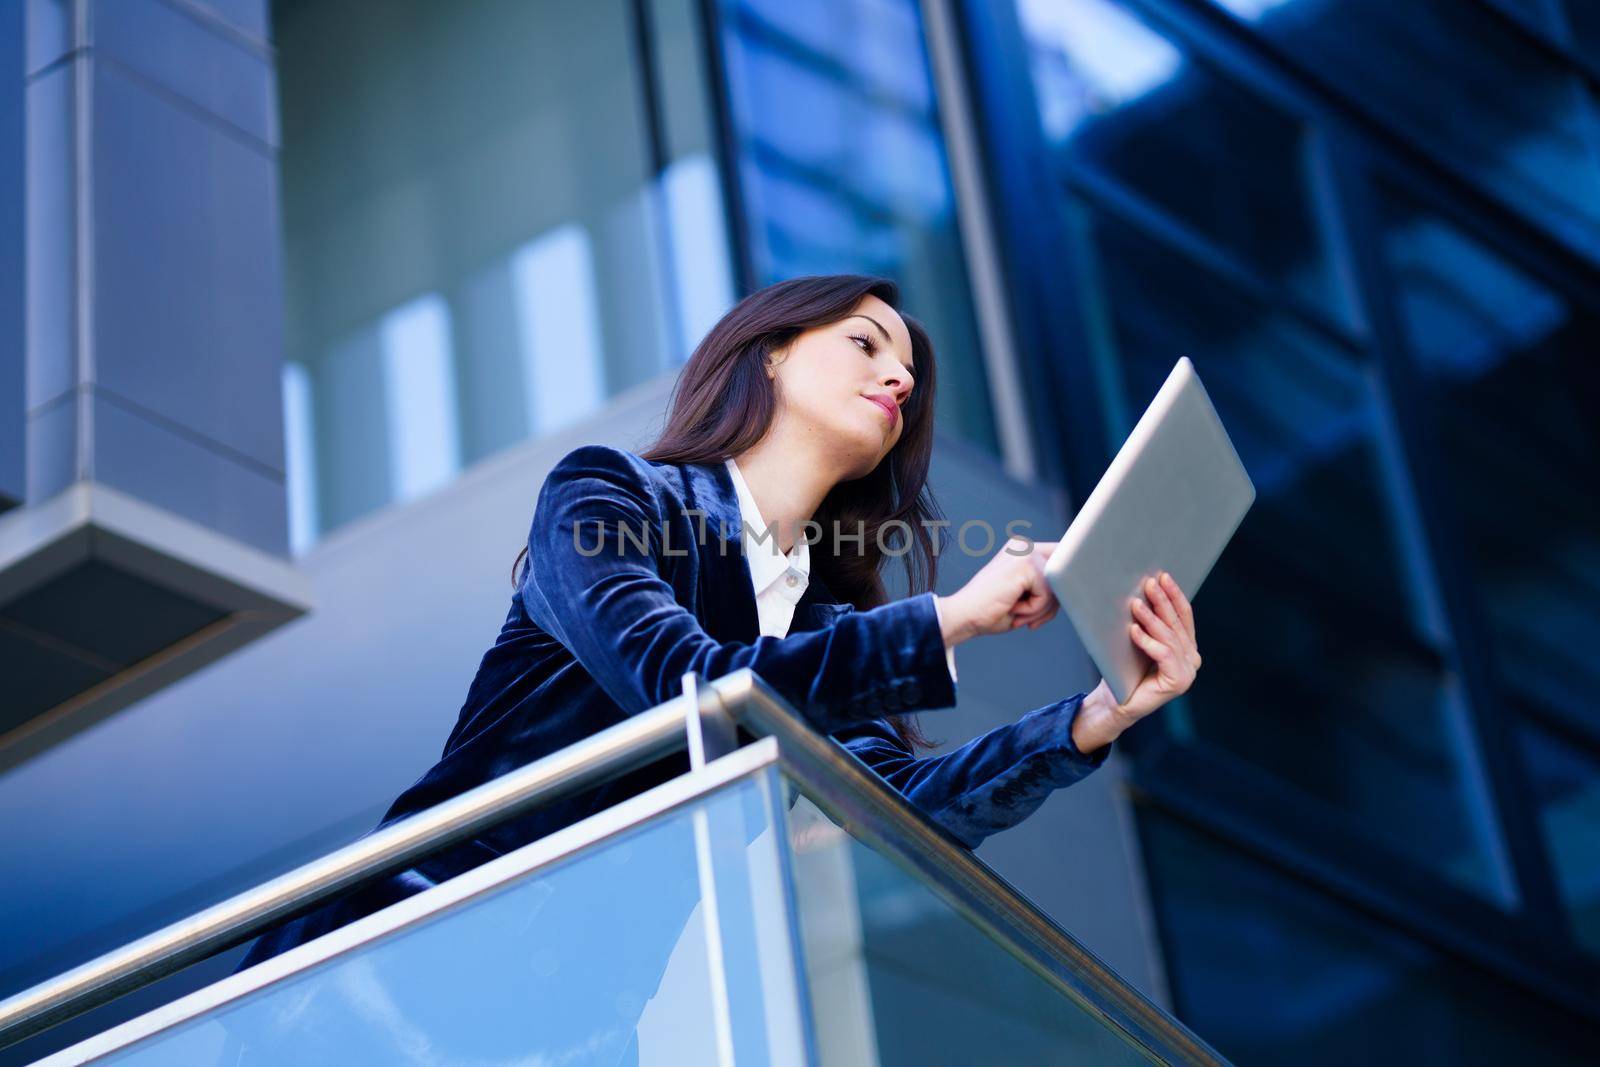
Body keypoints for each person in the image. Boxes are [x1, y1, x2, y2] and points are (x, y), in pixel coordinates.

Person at [225, 274, 1200, 1060]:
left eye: (908, 375)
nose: (899, 380)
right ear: (768, 353)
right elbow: (684, 683)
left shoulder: (812, 621)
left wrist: (1096, 715)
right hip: (380, 977)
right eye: (866, 342)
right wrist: (947, 620)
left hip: (558, 1036)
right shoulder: (608, 496)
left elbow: (908, 811)